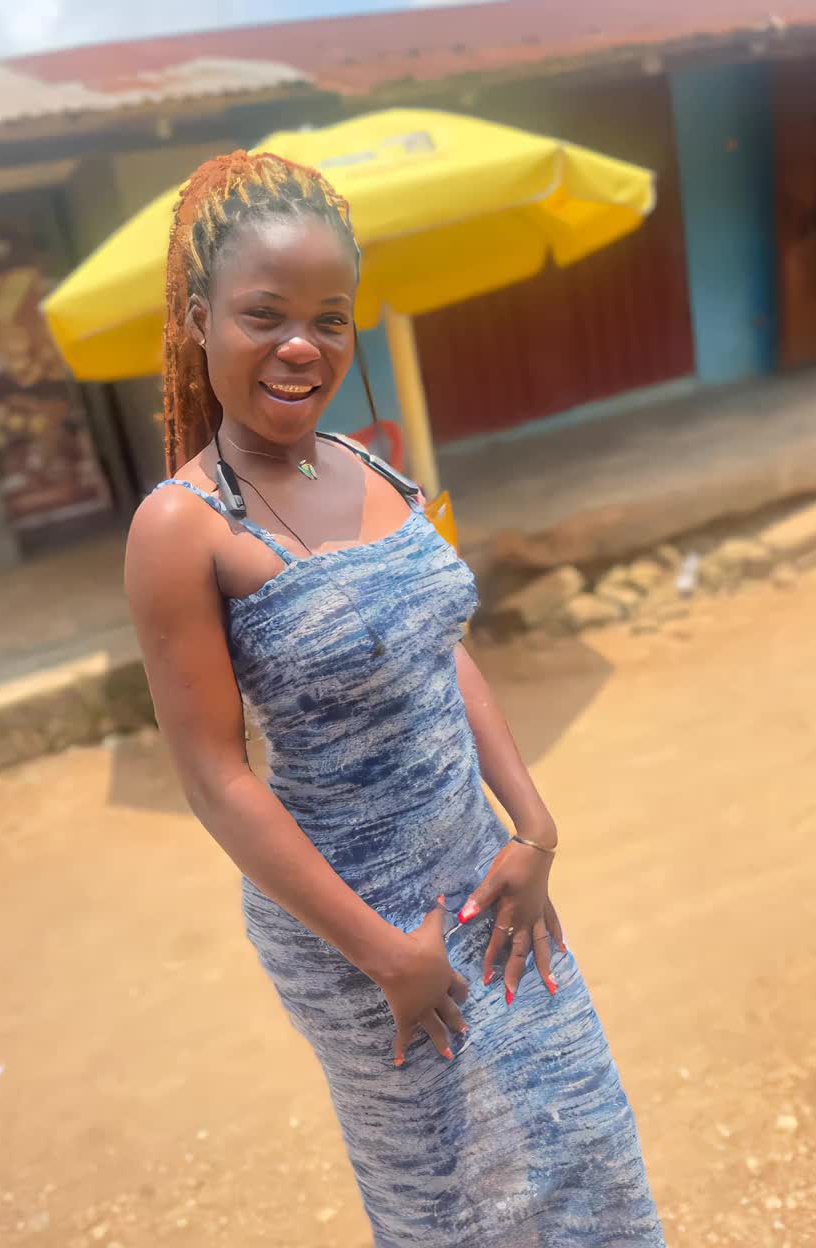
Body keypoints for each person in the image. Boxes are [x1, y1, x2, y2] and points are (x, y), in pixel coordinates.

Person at [124, 150, 664, 1247]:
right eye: (265, 315)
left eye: (330, 319)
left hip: (483, 885)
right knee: (450, 1198)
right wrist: (385, 955)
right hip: (357, 929)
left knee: (582, 1142)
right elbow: (217, 780)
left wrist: (533, 826)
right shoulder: (181, 528)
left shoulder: (364, 465)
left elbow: (439, 652)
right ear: (198, 319)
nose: (302, 346)